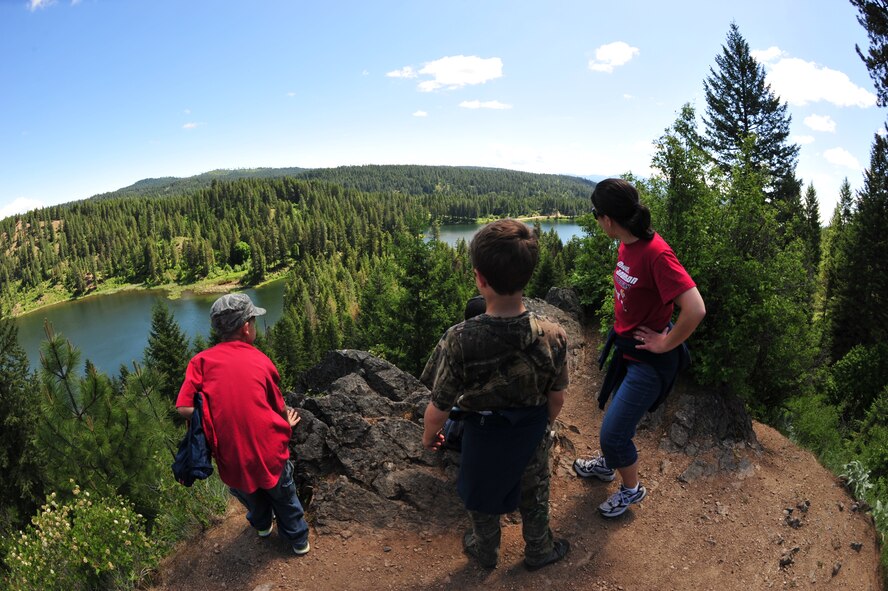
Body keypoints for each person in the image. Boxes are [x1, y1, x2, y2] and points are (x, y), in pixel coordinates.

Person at [420, 219, 570, 571]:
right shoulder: (554, 335)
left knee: (482, 498)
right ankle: (539, 549)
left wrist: (430, 437)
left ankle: (484, 550)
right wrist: (538, 426)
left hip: (482, 441)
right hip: (531, 436)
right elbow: (558, 399)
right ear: (527, 276)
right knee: (534, 496)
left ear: (480, 278)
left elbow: (439, 407)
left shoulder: (459, 339)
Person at [573, 178, 705, 518]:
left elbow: (695, 308)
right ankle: (607, 466)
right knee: (618, 418)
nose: (596, 220)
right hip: (628, 350)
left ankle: (631, 490)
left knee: (614, 434)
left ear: (608, 219)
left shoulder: (656, 253)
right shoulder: (625, 242)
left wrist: (665, 341)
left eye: (595, 214)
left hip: (649, 360)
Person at [175, 293, 311, 555]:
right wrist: (286, 423)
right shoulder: (260, 360)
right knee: (284, 498)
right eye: (253, 320)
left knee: (251, 498)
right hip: (270, 453)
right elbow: (278, 405)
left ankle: (262, 527)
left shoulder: (200, 362)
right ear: (247, 327)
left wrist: (214, 414)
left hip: (231, 457)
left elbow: (183, 408)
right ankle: (298, 541)